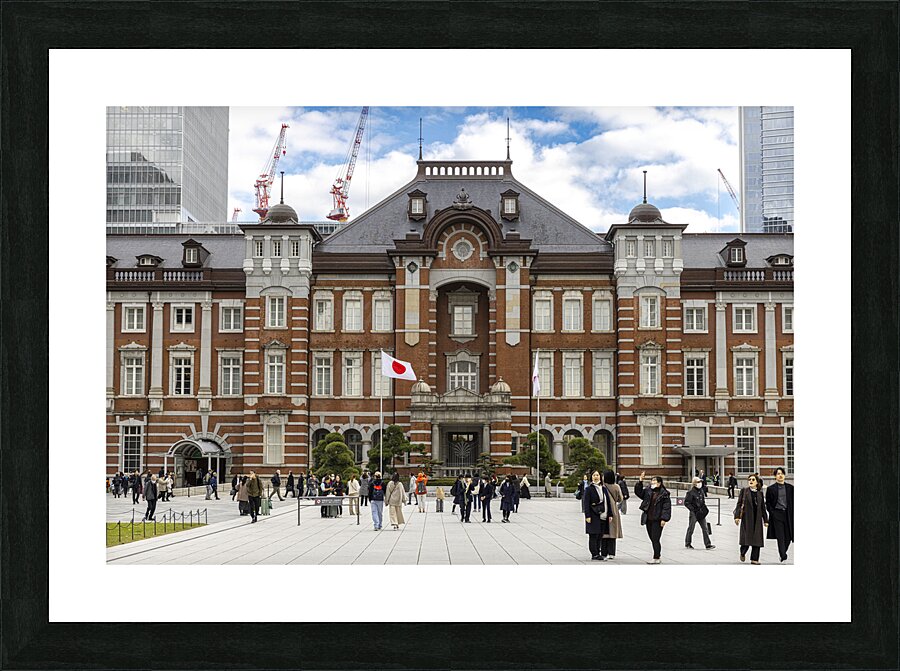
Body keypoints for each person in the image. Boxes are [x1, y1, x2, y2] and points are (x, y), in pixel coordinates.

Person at [634, 471, 671, 564]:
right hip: (648, 518)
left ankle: (656, 557)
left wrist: (664, 519)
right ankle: (657, 555)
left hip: (657, 520)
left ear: (659, 483)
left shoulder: (664, 494)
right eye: (652, 481)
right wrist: (640, 481)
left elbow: (666, 507)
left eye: (654, 481)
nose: (652, 483)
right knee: (652, 538)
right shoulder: (648, 491)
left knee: (655, 538)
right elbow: (639, 493)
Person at [734, 473, 768, 564]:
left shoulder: (760, 493)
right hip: (747, 518)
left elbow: (763, 508)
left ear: (757, 482)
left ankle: (754, 559)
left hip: (757, 519)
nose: (751, 481)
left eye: (753, 480)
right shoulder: (744, 491)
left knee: (757, 539)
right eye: (749, 480)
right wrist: (737, 516)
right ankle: (743, 552)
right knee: (746, 539)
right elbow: (739, 504)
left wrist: (766, 520)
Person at [765, 467, 794, 563]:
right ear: (775, 476)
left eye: (782, 473)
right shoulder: (771, 489)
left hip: (788, 514)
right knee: (780, 536)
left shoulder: (791, 488)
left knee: (789, 536)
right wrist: (772, 513)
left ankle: (783, 552)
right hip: (777, 514)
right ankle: (783, 555)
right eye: (778, 474)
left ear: (784, 475)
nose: (780, 475)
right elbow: (768, 503)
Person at [582, 470, 612, 561]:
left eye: (598, 475)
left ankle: (598, 553)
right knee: (593, 535)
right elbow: (586, 503)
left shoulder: (603, 488)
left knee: (600, 535)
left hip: (603, 515)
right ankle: (594, 554)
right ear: (591, 477)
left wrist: (610, 514)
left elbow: (608, 502)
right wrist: (587, 516)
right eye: (594, 475)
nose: (596, 477)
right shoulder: (589, 489)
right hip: (593, 515)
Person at [683, 476, 715, 550]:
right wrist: (692, 509)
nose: (700, 483)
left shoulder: (701, 491)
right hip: (694, 513)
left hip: (701, 512)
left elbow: (702, 501)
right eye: (698, 482)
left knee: (705, 528)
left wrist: (704, 508)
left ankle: (708, 544)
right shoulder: (690, 492)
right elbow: (686, 503)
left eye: (700, 482)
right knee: (691, 528)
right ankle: (688, 543)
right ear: (694, 483)